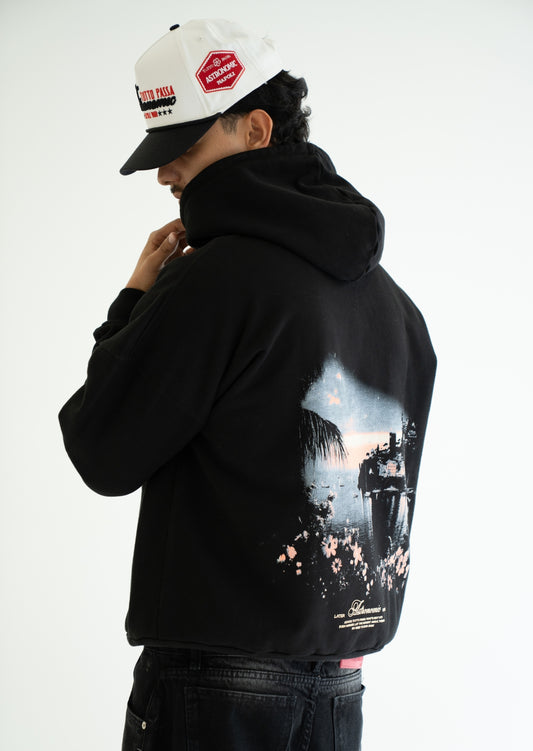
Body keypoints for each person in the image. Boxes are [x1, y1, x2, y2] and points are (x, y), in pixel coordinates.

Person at [59, 18, 436, 751]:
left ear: (256, 129)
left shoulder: (213, 278)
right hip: (341, 685)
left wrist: (133, 302)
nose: (165, 175)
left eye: (184, 148)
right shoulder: (395, 306)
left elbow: (101, 448)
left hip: (215, 687)